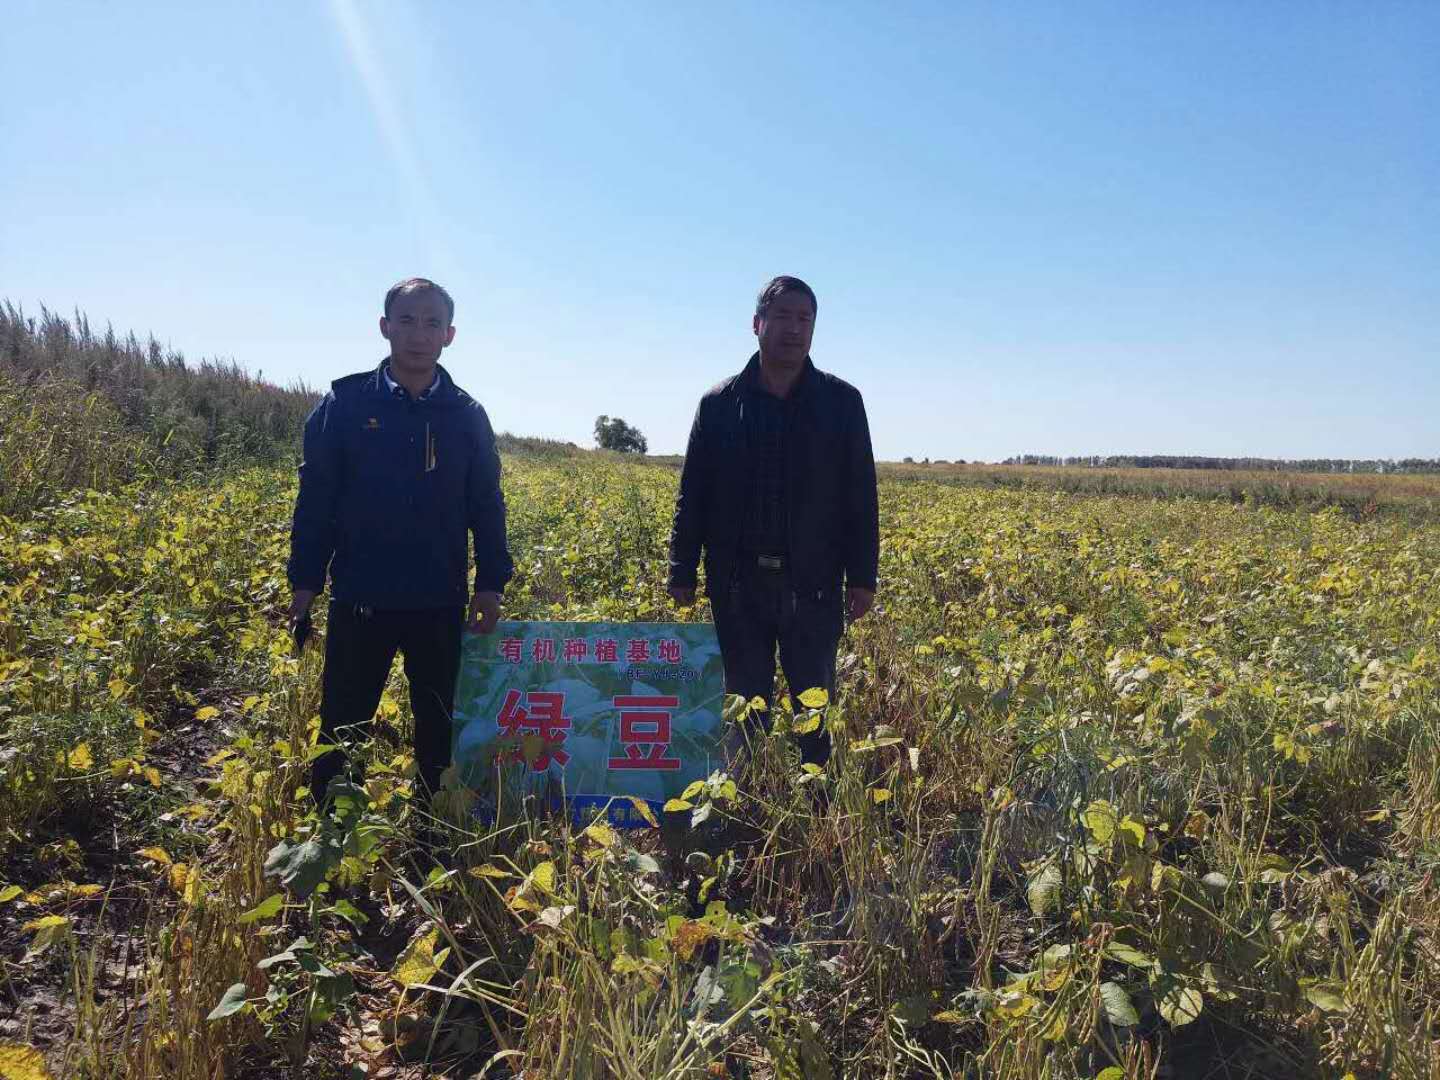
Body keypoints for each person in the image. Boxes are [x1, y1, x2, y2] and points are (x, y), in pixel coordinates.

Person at [287, 277, 513, 808]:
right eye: (407, 321)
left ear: (450, 335)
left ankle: (432, 833)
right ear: (385, 327)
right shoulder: (343, 405)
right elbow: (316, 498)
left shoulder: (466, 415)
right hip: (361, 594)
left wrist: (491, 584)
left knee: (438, 724)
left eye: (432, 323)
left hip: (438, 597)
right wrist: (305, 581)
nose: (419, 334)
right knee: (343, 721)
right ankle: (331, 829)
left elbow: (487, 502)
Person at [668, 275, 879, 765]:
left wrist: (863, 576)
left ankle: (818, 801)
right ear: (757, 323)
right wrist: (682, 569)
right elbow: (693, 492)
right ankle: (748, 796)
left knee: (815, 700)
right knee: (745, 699)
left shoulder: (841, 403)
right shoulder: (720, 405)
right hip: (739, 582)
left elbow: (860, 496)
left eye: (804, 319)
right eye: (782, 316)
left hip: (814, 582)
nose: (793, 329)